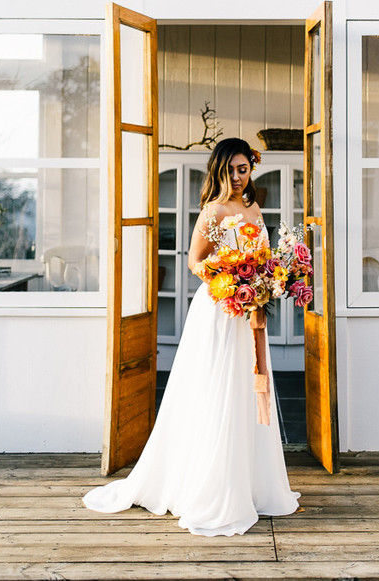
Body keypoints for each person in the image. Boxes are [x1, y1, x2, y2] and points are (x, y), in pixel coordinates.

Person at [83, 137, 300, 536]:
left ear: (250, 168)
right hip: (220, 309)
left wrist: (266, 278)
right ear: (219, 170)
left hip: (251, 310)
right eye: (231, 169)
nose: (238, 176)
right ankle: (210, 486)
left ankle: (253, 485)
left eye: (243, 168)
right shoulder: (213, 211)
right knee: (217, 388)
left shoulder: (253, 206)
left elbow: (266, 254)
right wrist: (231, 279)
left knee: (248, 389)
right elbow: (195, 262)